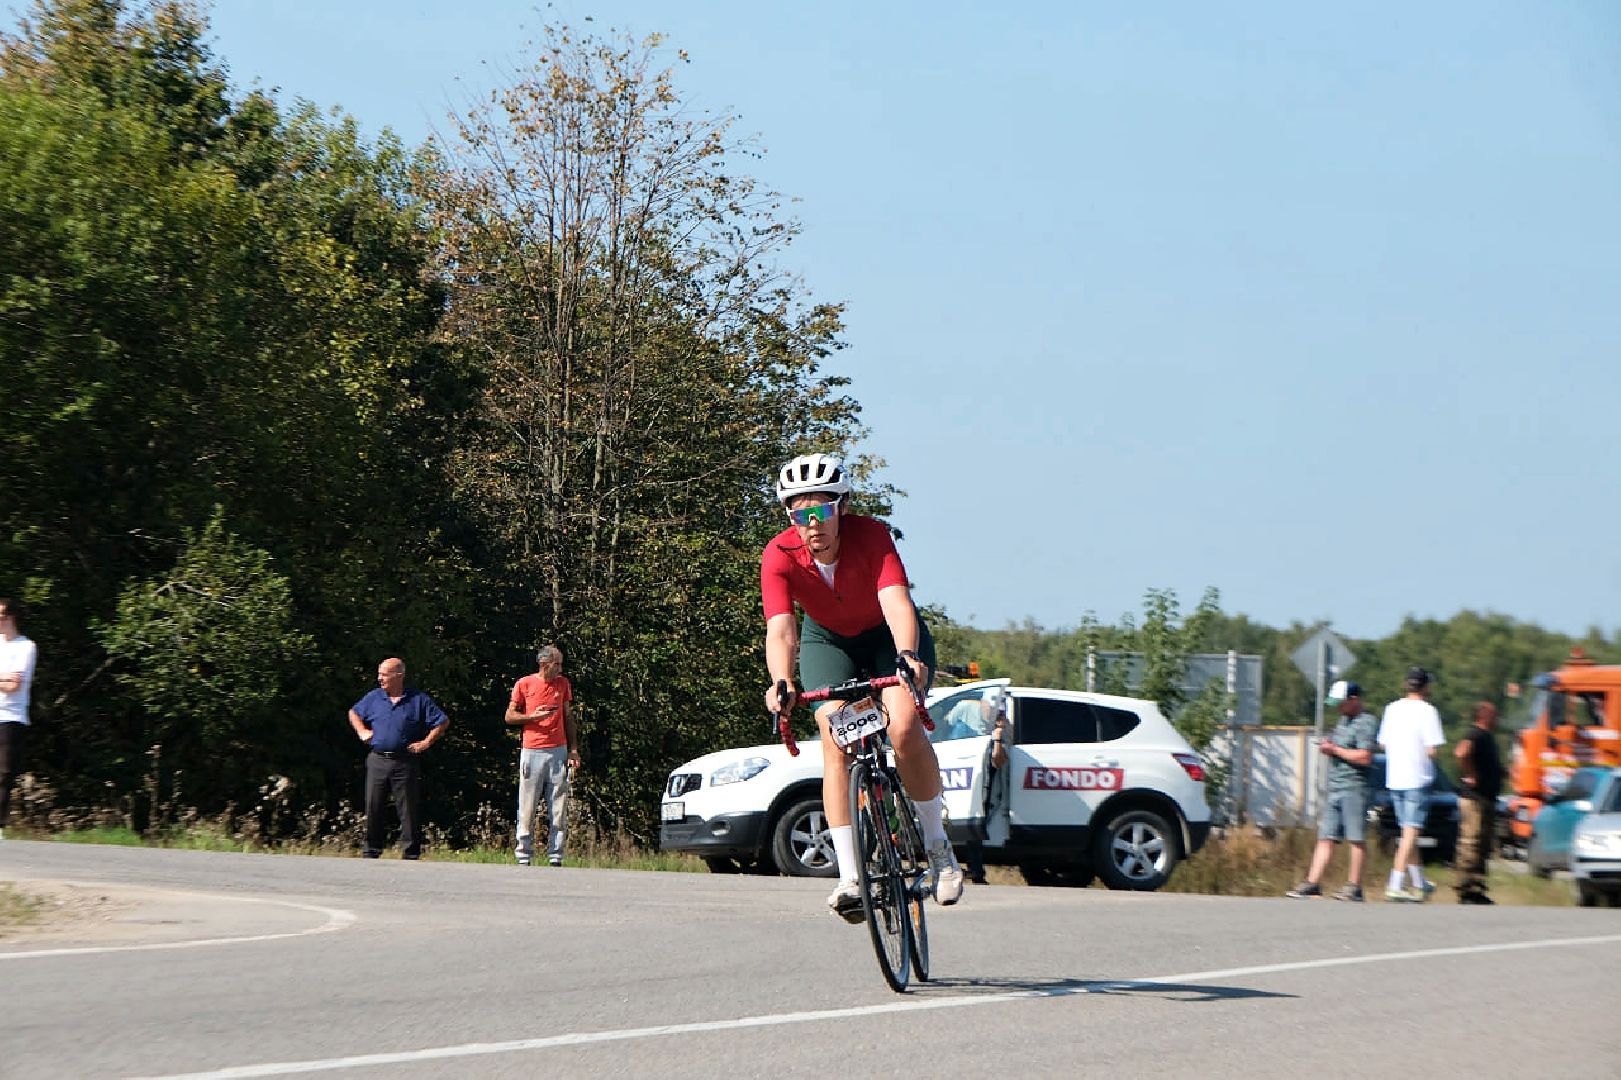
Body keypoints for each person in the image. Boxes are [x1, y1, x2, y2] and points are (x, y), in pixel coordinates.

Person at [761, 452, 963, 922]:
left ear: (842, 508)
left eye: (822, 511)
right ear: (790, 517)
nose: (812, 524)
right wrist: (782, 681)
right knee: (834, 740)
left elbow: (896, 603)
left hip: (885, 640)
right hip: (827, 641)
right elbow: (781, 630)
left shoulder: (872, 537)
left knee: (905, 726)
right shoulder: (779, 555)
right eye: (800, 513)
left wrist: (909, 657)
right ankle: (850, 876)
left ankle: (938, 848)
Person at [347, 657, 450, 859]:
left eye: (385, 674)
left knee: (408, 808)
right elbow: (354, 712)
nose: (380, 678)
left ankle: (410, 852)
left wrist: (426, 742)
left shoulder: (417, 699)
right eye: (379, 674)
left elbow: (442, 721)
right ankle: (371, 850)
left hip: (404, 761)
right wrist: (362, 731)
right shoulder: (374, 697)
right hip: (377, 759)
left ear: (399, 676)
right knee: (374, 804)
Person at [1286, 680, 1377, 901]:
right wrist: (1330, 746)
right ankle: (1312, 883)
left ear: (1354, 700)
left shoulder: (1366, 722)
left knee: (1356, 838)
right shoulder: (1343, 721)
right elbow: (1341, 749)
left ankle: (1354, 886)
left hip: (1355, 787)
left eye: (1341, 703)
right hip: (1336, 787)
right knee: (1326, 837)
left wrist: (1335, 749)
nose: (1338, 707)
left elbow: (1365, 756)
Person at [506, 645, 579, 866]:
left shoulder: (563, 684)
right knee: (527, 803)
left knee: (558, 805)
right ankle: (523, 853)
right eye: (557, 664)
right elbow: (509, 716)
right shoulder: (524, 684)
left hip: (557, 750)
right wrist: (532, 718)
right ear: (544, 664)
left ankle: (556, 854)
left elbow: (568, 717)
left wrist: (573, 749)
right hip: (532, 750)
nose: (560, 668)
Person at [1377, 666, 1445, 902]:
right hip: (1417, 777)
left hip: (1395, 777)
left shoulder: (1392, 709)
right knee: (1410, 832)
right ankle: (1395, 882)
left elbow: (1383, 744)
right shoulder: (1428, 711)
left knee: (1408, 831)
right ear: (1425, 686)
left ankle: (1419, 883)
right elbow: (1432, 749)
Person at [1453, 701, 1505, 905]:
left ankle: (1476, 889)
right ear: (1484, 716)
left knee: (1483, 845)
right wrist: (1471, 774)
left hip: (1487, 798)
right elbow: (1461, 752)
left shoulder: (1488, 738)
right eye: (1494, 715)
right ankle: (1465, 888)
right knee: (1471, 842)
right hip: (1474, 799)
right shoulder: (1477, 734)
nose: (1497, 719)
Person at [0, 599, 38, 842]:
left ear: (10, 617)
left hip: (11, 717)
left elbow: (14, 686)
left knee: (3, 774)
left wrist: (5, 681)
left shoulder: (26, 647)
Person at [963, 688, 1009, 885]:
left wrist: (998, 737)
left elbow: (998, 761)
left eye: (999, 713)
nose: (995, 715)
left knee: (977, 827)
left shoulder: (999, 735)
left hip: (991, 793)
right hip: (972, 788)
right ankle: (973, 869)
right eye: (993, 711)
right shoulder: (972, 729)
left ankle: (976, 871)